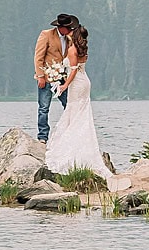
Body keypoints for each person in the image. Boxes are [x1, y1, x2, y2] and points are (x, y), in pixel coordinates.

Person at [45, 23, 119, 188]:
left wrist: (63, 85)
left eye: (71, 31)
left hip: (77, 83)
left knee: (75, 112)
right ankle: (81, 143)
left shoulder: (72, 50)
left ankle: (73, 146)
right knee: (81, 114)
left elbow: (72, 71)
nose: (69, 33)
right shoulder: (82, 50)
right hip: (84, 82)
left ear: (74, 34)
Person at [33, 13, 75, 143]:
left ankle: (71, 132)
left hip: (62, 78)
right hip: (47, 77)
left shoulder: (69, 39)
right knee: (44, 108)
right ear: (61, 27)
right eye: (68, 28)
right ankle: (42, 136)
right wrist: (40, 76)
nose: (70, 30)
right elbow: (38, 56)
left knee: (69, 105)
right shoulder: (46, 35)